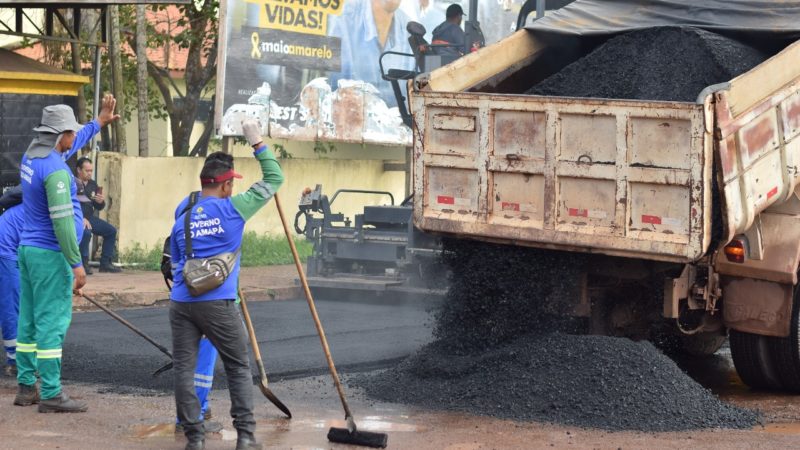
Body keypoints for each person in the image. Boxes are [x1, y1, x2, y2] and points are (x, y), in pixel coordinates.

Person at [169, 120, 284, 450]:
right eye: (231, 183)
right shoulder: (235, 208)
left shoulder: (184, 213)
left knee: (183, 370)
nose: (233, 187)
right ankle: (245, 437)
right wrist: (257, 142)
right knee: (237, 365)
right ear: (225, 186)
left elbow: (177, 260)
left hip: (181, 302)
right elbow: (275, 178)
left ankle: (194, 439)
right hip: (218, 303)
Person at [14, 95, 119, 413]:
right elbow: (61, 223)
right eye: (71, 132)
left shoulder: (35, 155)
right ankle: (51, 393)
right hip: (50, 255)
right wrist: (76, 264)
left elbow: (74, 142)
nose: (75, 137)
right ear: (61, 135)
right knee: (51, 323)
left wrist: (98, 123)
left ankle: (25, 386)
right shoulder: (58, 174)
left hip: (28, 251)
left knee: (29, 321)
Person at [172, 152, 236, 436]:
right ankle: (195, 416)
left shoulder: (184, 205)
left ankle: (189, 414)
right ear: (225, 181)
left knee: (185, 361)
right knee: (207, 360)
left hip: (184, 289)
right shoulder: (227, 208)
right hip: (214, 295)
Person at [328, 0, 415, 107]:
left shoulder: (409, 31)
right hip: (349, 118)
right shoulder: (345, 18)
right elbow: (334, 89)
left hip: (396, 121)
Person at [75, 157, 121, 274]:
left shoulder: (92, 184)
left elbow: (98, 206)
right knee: (86, 232)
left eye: (91, 170)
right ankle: (83, 263)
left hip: (89, 218)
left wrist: (101, 202)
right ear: (79, 170)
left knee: (111, 231)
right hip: (75, 218)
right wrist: (81, 218)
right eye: (87, 170)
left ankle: (105, 264)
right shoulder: (72, 183)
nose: (90, 173)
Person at [0, 186, 24, 377]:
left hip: (12, 251)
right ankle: (14, 359)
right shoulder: (40, 210)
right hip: (5, 252)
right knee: (11, 305)